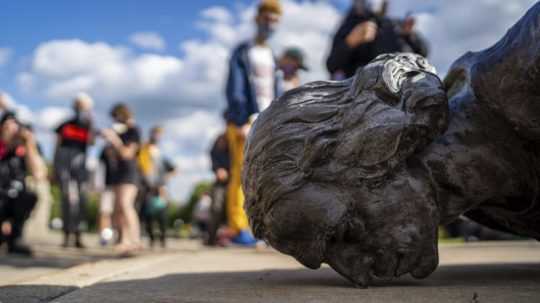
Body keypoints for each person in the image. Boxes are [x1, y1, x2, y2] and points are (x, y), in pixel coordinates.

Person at [224, 0, 282, 246]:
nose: (270, 25)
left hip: (268, 119)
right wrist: (240, 119)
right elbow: (235, 87)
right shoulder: (243, 51)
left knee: (267, 175)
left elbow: (275, 89)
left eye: (274, 21)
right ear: (257, 19)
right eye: (267, 19)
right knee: (241, 174)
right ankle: (239, 228)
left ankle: (264, 227)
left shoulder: (272, 55)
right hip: (245, 120)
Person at [326, 0, 429, 79]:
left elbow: (424, 51)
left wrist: (409, 34)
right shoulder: (350, 24)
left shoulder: (394, 24)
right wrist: (351, 41)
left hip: (401, 87)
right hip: (360, 91)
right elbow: (332, 65)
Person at [0, 112, 46, 255]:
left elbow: (39, 174)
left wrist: (29, 144)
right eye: (7, 126)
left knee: (29, 196)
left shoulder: (25, 148)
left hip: (14, 197)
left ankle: (15, 238)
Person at [53, 93, 94, 248]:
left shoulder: (88, 125)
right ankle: (66, 235)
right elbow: (57, 146)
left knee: (81, 201)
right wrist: (55, 168)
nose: (80, 108)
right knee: (68, 201)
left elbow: (91, 142)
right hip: (65, 166)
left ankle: (78, 234)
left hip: (80, 168)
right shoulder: (64, 125)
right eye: (78, 105)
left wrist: (89, 121)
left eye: (83, 106)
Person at [100, 103, 142, 255]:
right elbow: (111, 156)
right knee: (118, 209)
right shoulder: (120, 132)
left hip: (129, 173)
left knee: (126, 204)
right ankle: (124, 240)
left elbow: (127, 154)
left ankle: (135, 240)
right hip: (116, 174)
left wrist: (115, 139)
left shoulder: (134, 131)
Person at [137, 126, 176, 248]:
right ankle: (152, 238)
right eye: (156, 134)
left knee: (162, 214)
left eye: (159, 135)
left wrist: (164, 181)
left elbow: (173, 169)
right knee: (147, 214)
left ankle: (163, 238)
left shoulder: (160, 153)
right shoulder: (144, 149)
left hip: (160, 188)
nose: (157, 137)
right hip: (147, 187)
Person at [206, 133, 230, 246]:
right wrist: (218, 170)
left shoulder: (233, 149)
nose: (222, 143)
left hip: (235, 182)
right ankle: (212, 238)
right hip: (220, 184)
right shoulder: (214, 152)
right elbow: (215, 166)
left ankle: (227, 237)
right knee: (216, 208)